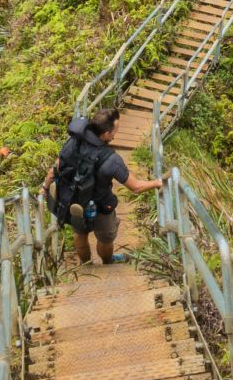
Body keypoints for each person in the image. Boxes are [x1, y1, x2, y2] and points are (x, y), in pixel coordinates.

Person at [46, 110, 159, 266]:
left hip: (74, 199)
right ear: (106, 134)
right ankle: (108, 262)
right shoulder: (111, 159)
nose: (115, 135)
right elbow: (136, 187)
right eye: (114, 131)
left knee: (80, 233)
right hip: (100, 204)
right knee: (105, 238)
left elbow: (56, 167)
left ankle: (86, 264)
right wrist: (157, 183)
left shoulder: (73, 142)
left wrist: (45, 188)